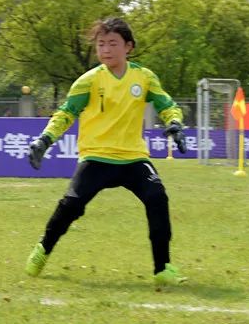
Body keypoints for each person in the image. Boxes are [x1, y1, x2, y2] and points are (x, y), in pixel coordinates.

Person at [24, 17, 189, 286]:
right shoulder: (88, 81)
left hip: (133, 157)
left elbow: (166, 104)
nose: (106, 50)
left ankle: (163, 267)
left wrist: (175, 123)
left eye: (112, 43)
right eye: (101, 44)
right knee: (72, 205)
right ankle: (43, 250)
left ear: (129, 47)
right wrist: (45, 140)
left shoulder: (144, 78)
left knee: (157, 197)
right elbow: (66, 113)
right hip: (96, 156)